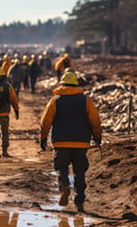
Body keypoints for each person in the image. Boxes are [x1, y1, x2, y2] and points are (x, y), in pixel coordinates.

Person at [40, 71, 102, 212]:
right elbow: (95, 120)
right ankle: (79, 198)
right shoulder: (85, 100)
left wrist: (43, 137)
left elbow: (45, 121)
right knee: (80, 171)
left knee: (61, 167)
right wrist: (97, 137)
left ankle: (64, 187)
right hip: (81, 143)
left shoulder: (55, 100)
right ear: (76, 84)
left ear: (61, 84)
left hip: (61, 143)